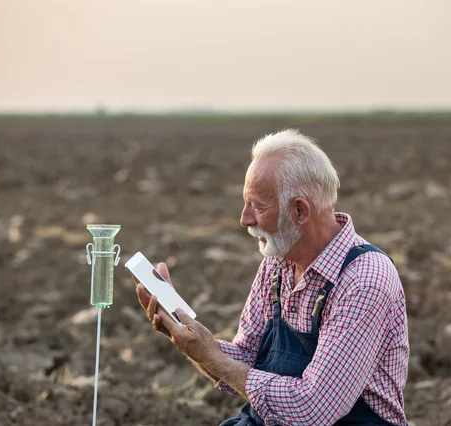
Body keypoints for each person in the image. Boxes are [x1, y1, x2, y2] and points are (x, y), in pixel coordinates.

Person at [135, 129, 410, 426]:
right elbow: (248, 357)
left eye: (257, 206)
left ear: (299, 210)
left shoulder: (364, 279)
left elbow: (313, 408)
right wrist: (187, 335)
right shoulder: (278, 263)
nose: (245, 219)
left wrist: (211, 356)